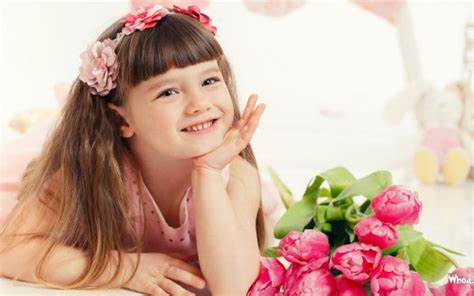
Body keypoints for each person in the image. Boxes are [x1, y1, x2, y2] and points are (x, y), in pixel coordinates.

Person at [0, 4, 267, 296]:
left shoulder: (236, 178)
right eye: (168, 92)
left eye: (209, 81)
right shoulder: (95, 173)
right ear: (121, 119)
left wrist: (208, 172)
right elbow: (10, 249)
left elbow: (234, 288)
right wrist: (124, 268)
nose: (200, 104)